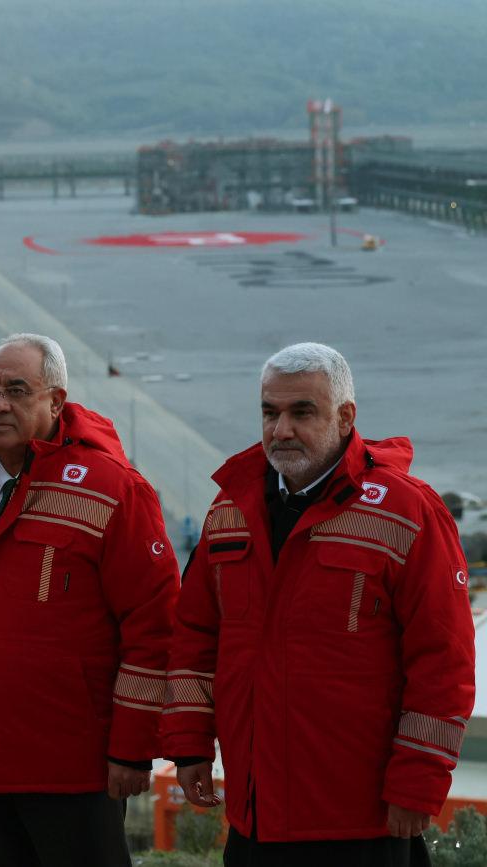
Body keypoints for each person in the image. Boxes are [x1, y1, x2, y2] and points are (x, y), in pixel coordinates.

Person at [166, 342, 474, 866]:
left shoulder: (407, 510)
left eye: (301, 412)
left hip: (361, 819)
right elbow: (196, 636)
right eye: (269, 412)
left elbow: (443, 660)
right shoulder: (230, 509)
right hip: (255, 814)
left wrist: (418, 781)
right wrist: (190, 746)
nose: (280, 429)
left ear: (345, 416)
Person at [0, 333, 179, 867]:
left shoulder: (113, 489)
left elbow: (154, 625)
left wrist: (133, 746)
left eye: (16, 391)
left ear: (55, 402)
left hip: (75, 762)